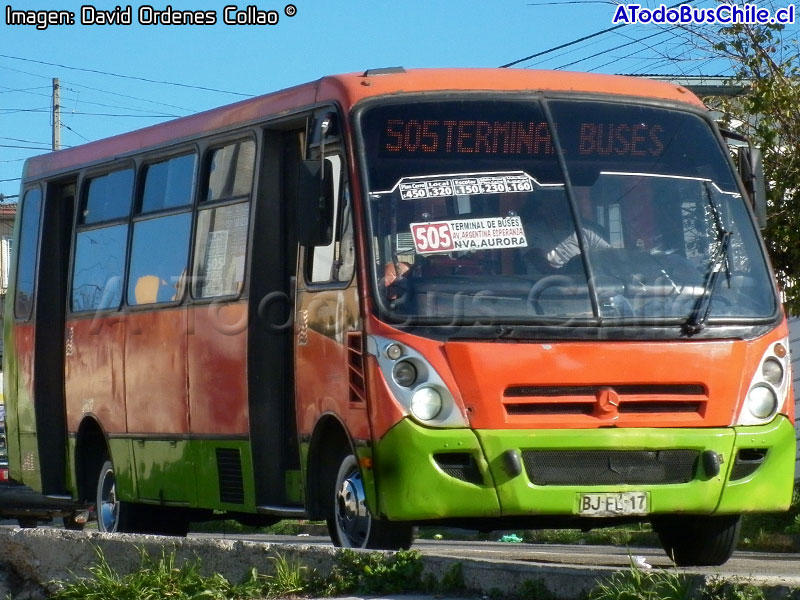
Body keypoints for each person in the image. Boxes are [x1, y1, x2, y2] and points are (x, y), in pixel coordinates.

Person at [520, 193, 610, 273]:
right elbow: (541, 264)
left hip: (591, 288)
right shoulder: (530, 231)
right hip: (544, 289)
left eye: (560, 203)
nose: (557, 208)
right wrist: (575, 265)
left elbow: (610, 255)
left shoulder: (586, 231)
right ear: (540, 208)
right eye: (551, 203)